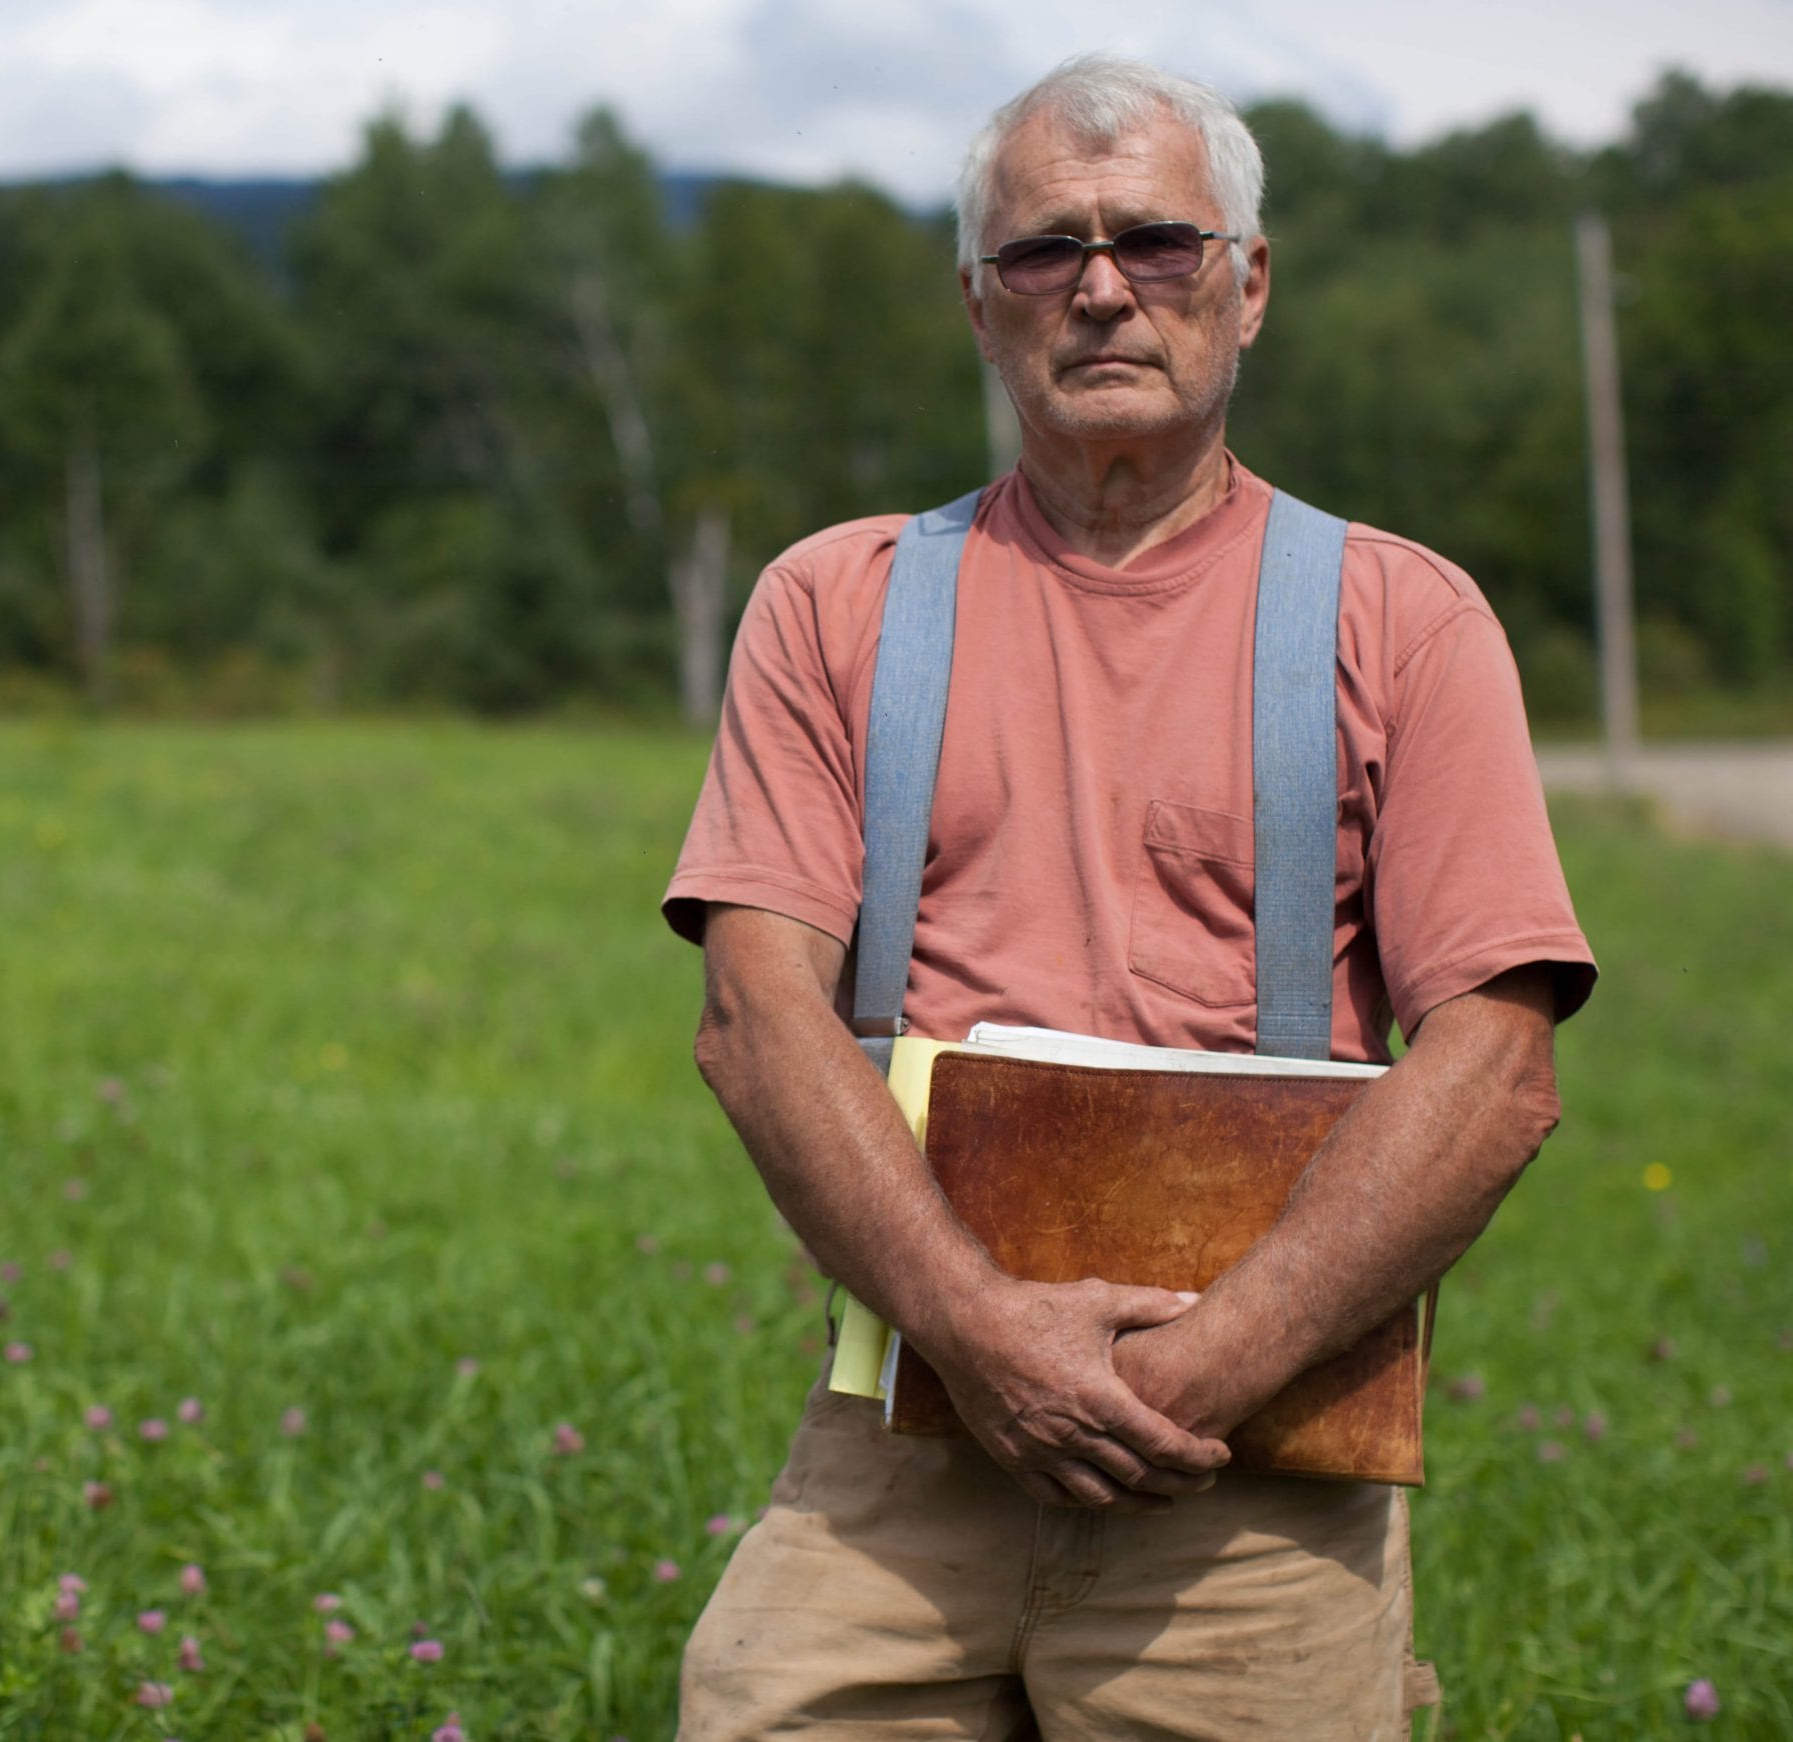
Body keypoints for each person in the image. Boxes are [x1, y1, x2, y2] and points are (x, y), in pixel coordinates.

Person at [659, 53, 1596, 1739]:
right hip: (909, 1433)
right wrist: (988, 1341)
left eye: (1159, 241)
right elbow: (754, 1016)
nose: (1099, 286)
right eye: (1044, 250)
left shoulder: (1406, 620)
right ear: (978, 302)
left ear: (1249, 288)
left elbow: (1497, 1065)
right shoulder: (834, 604)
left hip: (1252, 1465)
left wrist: (1195, 1373)